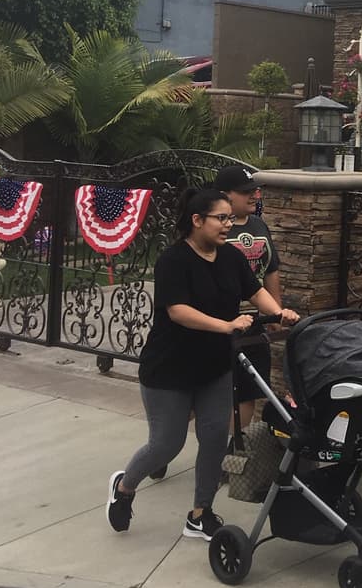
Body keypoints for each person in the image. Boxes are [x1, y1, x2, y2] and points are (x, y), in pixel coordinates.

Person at [105, 188, 297, 539]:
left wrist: (278, 312)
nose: (228, 224)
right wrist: (225, 325)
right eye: (221, 218)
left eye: (229, 217)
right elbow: (178, 311)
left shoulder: (230, 258)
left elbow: (255, 292)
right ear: (197, 220)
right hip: (169, 370)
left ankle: (200, 513)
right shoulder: (173, 261)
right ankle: (125, 487)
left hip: (214, 367)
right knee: (166, 443)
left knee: (212, 439)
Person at [212, 165, 283, 429]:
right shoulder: (213, 230)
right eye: (245, 192)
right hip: (218, 323)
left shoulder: (259, 226)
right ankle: (166, 438)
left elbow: (271, 270)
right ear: (223, 195)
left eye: (255, 190)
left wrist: (275, 311)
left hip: (253, 323)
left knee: (248, 391)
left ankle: (231, 454)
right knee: (208, 393)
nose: (254, 195)